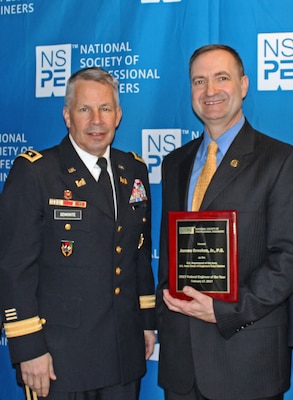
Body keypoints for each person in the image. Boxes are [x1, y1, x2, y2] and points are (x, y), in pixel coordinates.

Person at [0, 67, 156, 400]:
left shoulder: (135, 170)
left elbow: (139, 253)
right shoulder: (36, 172)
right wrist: (27, 347)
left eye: (105, 109)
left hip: (123, 353)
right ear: (68, 116)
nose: (96, 120)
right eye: (85, 109)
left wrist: (146, 321)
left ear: (118, 116)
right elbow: (14, 268)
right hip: (59, 359)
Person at [156, 44, 293, 400]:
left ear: (244, 85)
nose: (210, 91)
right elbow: (171, 258)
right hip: (182, 365)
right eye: (199, 81)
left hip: (246, 360)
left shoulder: (280, 161)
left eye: (222, 78)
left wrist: (224, 311)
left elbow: (287, 259)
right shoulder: (175, 164)